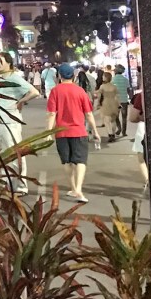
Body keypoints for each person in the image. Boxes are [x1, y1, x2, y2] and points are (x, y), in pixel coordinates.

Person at [47, 63, 100, 203]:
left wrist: (48, 133)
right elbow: (88, 114)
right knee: (81, 161)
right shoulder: (80, 91)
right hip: (79, 131)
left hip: (61, 132)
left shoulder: (55, 91)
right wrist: (95, 131)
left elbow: (52, 114)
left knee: (67, 161)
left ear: (59, 76)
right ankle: (79, 189)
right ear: (74, 76)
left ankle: (73, 188)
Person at [0, 52, 41, 194]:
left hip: (10, 122)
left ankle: (20, 185)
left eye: (0, 61)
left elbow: (34, 92)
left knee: (14, 153)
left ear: (9, 63)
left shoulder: (14, 78)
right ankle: (6, 183)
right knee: (1, 154)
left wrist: (21, 101)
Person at [128, 83, 148, 195]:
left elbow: (133, 117)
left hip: (146, 131)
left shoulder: (143, 95)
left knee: (142, 158)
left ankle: (148, 180)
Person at [95, 71, 121, 143]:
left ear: (106, 78)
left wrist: (98, 103)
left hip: (106, 103)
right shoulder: (114, 86)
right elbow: (117, 96)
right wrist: (119, 104)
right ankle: (113, 134)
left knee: (107, 120)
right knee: (113, 120)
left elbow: (99, 95)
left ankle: (110, 134)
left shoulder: (102, 86)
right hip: (114, 103)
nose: (102, 77)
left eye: (103, 76)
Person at [111, 65, 131, 137]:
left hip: (116, 101)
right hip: (124, 101)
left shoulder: (112, 80)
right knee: (124, 117)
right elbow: (128, 90)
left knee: (116, 116)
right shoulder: (126, 80)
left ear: (116, 71)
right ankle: (124, 132)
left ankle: (119, 128)